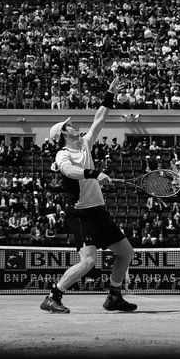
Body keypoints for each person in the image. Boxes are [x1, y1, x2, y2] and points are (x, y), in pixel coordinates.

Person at [40, 76, 137, 314]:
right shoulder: (63, 155)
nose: (74, 126)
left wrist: (110, 93)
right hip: (81, 214)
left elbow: (99, 118)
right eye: (69, 125)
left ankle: (114, 296)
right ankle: (53, 296)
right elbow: (70, 172)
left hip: (99, 212)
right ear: (63, 134)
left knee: (126, 253)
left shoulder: (84, 144)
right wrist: (95, 173)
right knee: (89, 262)